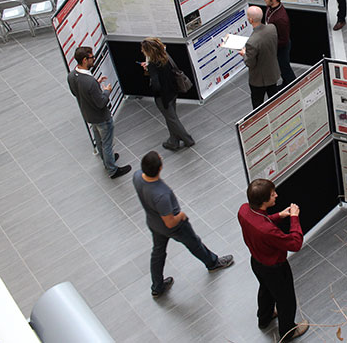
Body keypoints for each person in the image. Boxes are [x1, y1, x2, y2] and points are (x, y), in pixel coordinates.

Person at [133, 151, 234, 298]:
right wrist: (180, 216)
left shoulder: (137, 177)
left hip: (153, 223)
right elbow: (169, 222)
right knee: (194, 243)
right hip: (174, 227)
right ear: (159, 168)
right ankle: (212, 263)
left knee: (158, 254)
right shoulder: (161, 194)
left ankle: (157, 286)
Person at [237, 179, 308, 341]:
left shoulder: (244, 210)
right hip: (275, 268)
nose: (276, 195)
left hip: (257, 262)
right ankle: (288, 331)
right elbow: (295, 244)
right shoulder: (267, 231)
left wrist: (279, 215)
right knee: (286, 300)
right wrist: (294, 218)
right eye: (272, 194)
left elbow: (260, 221)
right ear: (263, 201)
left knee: (265, 290)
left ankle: (265, 317)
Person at [67, 46, 131, 179]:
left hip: (89, 115)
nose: (94, 59)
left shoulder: (72, 75)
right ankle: (112, 169)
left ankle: (107, 161)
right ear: (85, 60)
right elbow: (101, 103)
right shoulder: (89, 82)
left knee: (99, 141)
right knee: (107, 143)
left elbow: (76, 92)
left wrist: (96, 85)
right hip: (101, 117)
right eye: (91, 58)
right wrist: (107, 90)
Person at [140, 37, 195, 151]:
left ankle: (187, 139)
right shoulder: (164, 56)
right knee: (170, 117)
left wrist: (149, 71)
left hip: (163, 97)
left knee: (172, 119)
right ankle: (173, 141)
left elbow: (156, 85)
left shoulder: (153, 65)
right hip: (172, 91)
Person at [240, 6, 281, 109]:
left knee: (258, 105)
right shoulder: (272, 28)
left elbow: (250, 63)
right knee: (274, 100)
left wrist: (244, 54)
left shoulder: (252, 42)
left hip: (259, 80)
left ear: (250, 20)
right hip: (272, 73)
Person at [263, 0, 296, 89]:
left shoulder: (281, 18)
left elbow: (284, 39)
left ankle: (292, 85)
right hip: (275, 44)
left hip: (280, 47)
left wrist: (270, 44)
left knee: (284, 67)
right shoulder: (270, 8)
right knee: (282, 67)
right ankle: (286, 83)